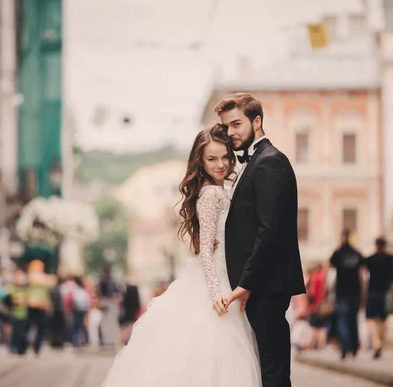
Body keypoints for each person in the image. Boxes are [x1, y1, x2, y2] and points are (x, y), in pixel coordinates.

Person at [101, 124, 261, 387]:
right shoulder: (211, 194)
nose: (220, 164)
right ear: (200, 162)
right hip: (217, 281)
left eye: (224, 157)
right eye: (212, 159)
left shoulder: (221, 189)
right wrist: (215, 293)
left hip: (225, 276)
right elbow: (206, 251)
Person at [218, 93, 306, 387]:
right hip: (260, 285)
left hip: (266, 286)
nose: (230, 133)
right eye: (226, 127)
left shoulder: (270, 162)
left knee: (273, 372)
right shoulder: (257, 161)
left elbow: (269, 231)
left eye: (236, 124)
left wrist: (246, 283)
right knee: (266, 370)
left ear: (256, 122)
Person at [330, 229, 365, 359]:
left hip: (342, 292)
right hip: (355, 291)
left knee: (343, 320)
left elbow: (332, 264)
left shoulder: (338, 253)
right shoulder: (357, 253)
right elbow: (362, 274)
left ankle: (344, 348)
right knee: (353, 320)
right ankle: (354, 347)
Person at [365, 236, 393, 359]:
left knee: (370, 318)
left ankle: (376, 341)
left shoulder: (370, 259)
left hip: (372, 291)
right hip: (385, 292)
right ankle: (380, 343)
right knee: (382, 319)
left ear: (376, 245)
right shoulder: (390, 259)